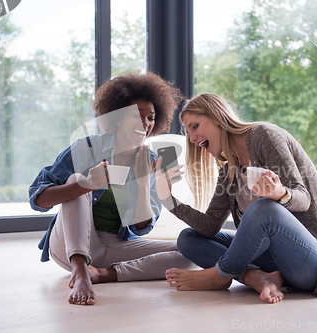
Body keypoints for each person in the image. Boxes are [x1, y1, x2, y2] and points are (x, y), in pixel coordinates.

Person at [155, 92, 317, 303]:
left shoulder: (264, 136)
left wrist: (281, 194)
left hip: (316, 262)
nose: (192, 139)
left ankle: (219, 275)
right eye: (188, 133)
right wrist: (168, 199)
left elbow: (303, 198)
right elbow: (210, 226)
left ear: (218, 116)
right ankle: (255, 277)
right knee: (188, 238)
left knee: (264, 209)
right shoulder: (228, 170)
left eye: (195, 126)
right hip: (276, 262)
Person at [29, 72, 195, 306]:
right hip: (70, 245)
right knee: (78, 179)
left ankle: (103, 274)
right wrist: (85, 185)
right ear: (117, 117)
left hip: (115, 246)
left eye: (150, 118)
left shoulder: (151, 161)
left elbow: (141, 228)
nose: (145, 124)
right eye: (136, 115)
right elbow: (38, 199)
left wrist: (146, 184)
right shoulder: (87, 147)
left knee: (190, 251)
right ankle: (80, 271)